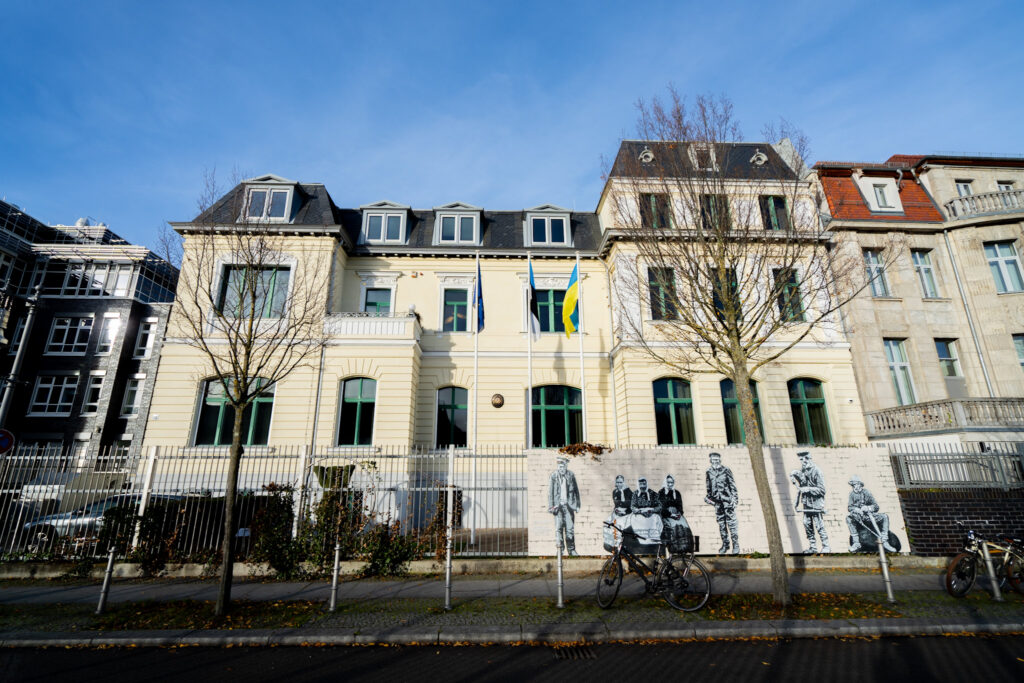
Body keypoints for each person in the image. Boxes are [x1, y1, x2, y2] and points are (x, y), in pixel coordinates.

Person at [790, 451, 831, 553]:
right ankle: (813, 547)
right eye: (801, 459)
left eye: (805, 459)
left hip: (816, 503)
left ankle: (826, 546)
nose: (803, 461)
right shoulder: (804, 470)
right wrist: (794, 474)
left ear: (809, 459)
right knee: (807, 524)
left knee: (819, 525)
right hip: (807, 503)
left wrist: (808, 489)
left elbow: (822, 490)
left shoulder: (817, 471)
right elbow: (803, 480)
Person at [846, 475, 896, 552]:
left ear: (860, 484)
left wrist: (868, 508)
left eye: (855, 484)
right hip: (858, 517)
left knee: (884, 516)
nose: (854, 486)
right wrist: (856, 509)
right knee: (848, 518)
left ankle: (885, 541)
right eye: (853, 485)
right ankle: (856, 543)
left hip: (869, 516)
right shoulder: (852, 494)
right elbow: (849, 508)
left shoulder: (867, 493)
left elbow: (876, 507)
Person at [704, 451, 739, 554]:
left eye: (717, 459)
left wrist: (734, 500)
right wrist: (710, 499)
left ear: (720, 460)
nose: (715, 461)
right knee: (721, 525)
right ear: (710, 460)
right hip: (717, 503)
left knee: (732, 524)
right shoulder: (708, 471)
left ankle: (736, 545)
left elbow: (733, 486)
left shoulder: (726, 470)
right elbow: (708, 487)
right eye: (713, 459)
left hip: (727, 501)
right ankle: (725, 544)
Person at [547, 457, 580, 556]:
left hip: (569, 506)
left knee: (570, 529)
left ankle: (571, 550)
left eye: (563, 467)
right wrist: (551, 506)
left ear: (566, 466)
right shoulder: (553, 476)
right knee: (559, 528)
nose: (562, 469)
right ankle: (560, 550)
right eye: (560, 467)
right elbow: (550, 493)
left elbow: (576, 491)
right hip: (558, 507)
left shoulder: (571, 475)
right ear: (558, 467)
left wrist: (577, 505)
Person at [659, 474, 691, 552]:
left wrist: (679, 514)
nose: (670, 484)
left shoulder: (676, 493)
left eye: (672, 483)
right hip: (666, 515)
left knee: (685, 527)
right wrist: (670, 514)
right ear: (665, 482)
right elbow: (661, 508)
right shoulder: (661, 493)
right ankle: (673, 550)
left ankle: (683, 549)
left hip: (677, 515)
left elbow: (680, 506)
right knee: (674, 528)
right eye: (668, 482)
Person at [629, 476, 663, 543]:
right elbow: (632, 506)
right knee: (634, 519)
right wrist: (640, 511)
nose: (642, 486)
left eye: (644, 484)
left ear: (646, 484)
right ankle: (640, 541)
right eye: (640, 484)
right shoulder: (635, 494)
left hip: (651, 514)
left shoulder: (653, 493)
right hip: (639, 514)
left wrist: (652, 510)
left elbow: (659, 506)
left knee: (656, 518)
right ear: (638, 485)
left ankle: (653, 541)